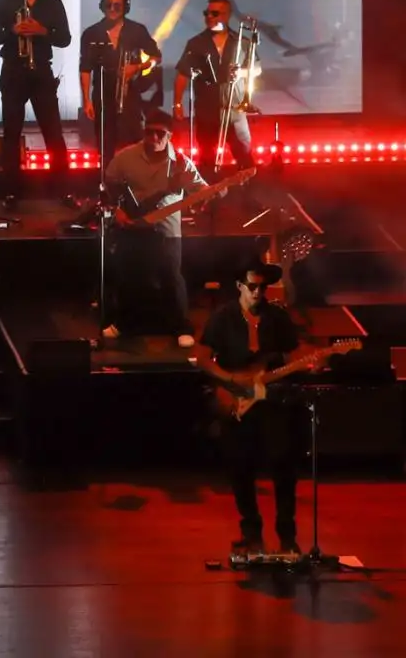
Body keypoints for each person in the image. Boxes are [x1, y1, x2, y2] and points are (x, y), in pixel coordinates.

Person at [196, 263, 323, 558]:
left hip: (272, 399)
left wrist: (312, 362)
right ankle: (251, 534)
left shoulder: (277, 317)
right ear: (239, 286)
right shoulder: (223, 317)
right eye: (252, 286)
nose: (257, 292)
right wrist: (229, 379)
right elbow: (202, 357)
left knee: (284, 466)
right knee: (240, 467)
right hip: (237, 400)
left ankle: (287, 537)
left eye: (262, 287)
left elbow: (292, 354)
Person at [101, 111, 204, 347]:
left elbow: (200, 189)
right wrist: (117, 211)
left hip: (166, 229)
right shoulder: (125, 157)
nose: (154, 138)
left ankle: (181, 328)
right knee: (130, 277)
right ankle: (124, 324)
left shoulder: (180, 163)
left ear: (170, 135)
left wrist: (218, 191)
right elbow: (109, 185)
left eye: (160, 133)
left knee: (171, 277)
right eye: (149, 132)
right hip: (132, 226)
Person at [0, 0, 72, 204]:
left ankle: (63, 189)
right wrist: (12, 30)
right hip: (13, 70)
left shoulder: (52, 2)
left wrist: (43, 31)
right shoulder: (5, 1)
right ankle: (12, 191)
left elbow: (64, 39)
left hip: (41, 70)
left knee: (53, 131)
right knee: (11, 134)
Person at [175, 0, 260, 176]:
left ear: (226, 15)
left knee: (245, 157)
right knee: (206, 160)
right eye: (206, 13)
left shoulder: (241, 41)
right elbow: (182, 73)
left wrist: (241, 73)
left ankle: (249, 191)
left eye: (214, 13)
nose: (209, 17)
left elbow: (257, 69)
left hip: (235, 111)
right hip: (207, 112)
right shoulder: (196, 43)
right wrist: (177, 103)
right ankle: (210, 192)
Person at [77, 0, 161, 163]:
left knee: (134, 142)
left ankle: (135, 177)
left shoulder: (137, 30)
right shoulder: (91, 33)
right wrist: (86, 100)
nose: (112, 9)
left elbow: (156, 58)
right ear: (102, 6)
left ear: (125, 8)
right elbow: (85, 68)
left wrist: (137, 67)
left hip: (130, 93)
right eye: (108, 5)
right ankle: (108, 176)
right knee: (105, 144)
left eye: (117, 5)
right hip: (102, 94)